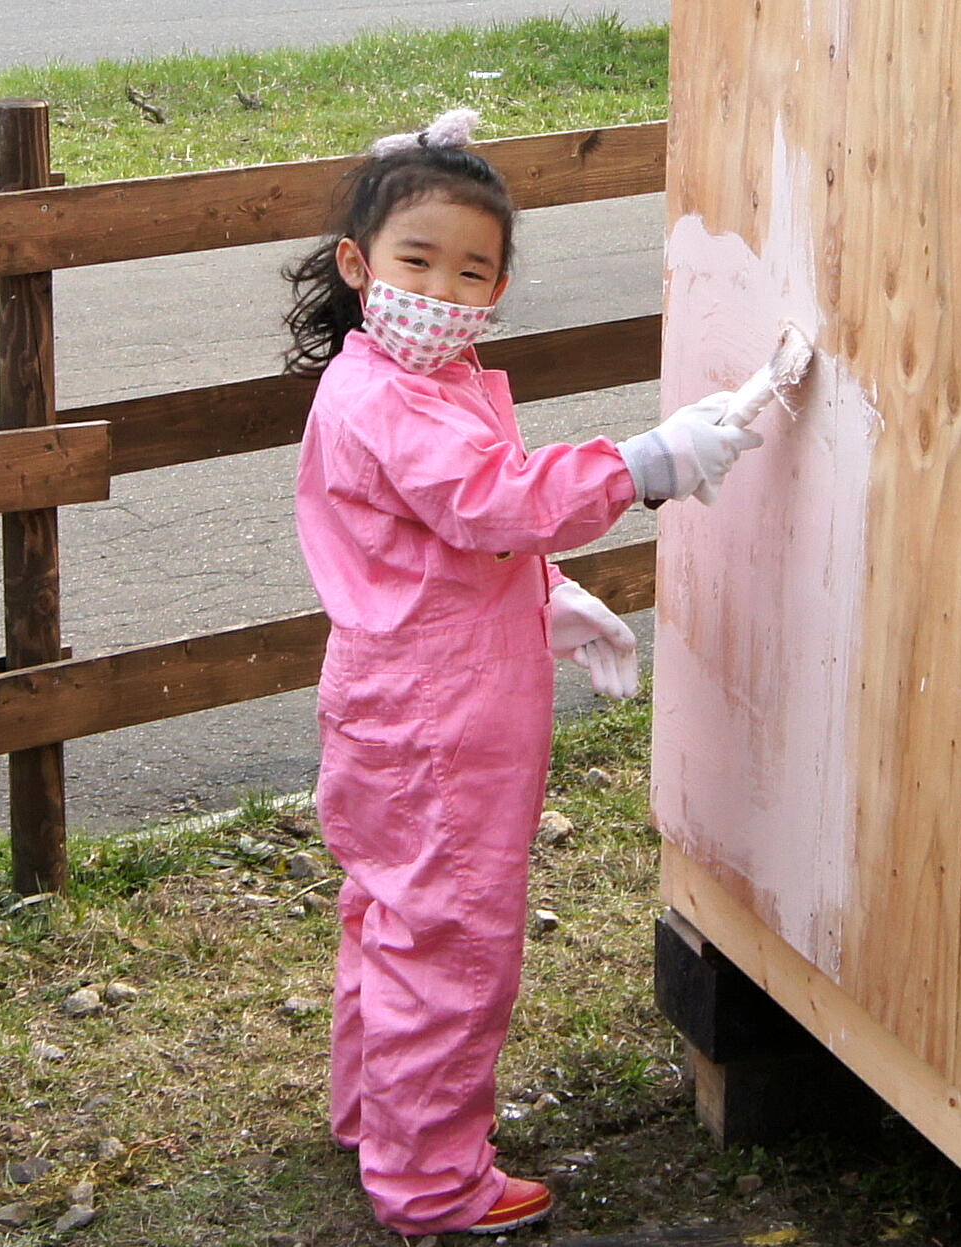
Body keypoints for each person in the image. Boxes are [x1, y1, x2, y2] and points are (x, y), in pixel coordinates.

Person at [286, 107, 765, 1237]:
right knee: (450, 942)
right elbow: (495, 499)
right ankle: (433, 1182)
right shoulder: (398, 397)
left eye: (472, 272)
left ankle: (378, 1117)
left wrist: (545, 598)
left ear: (498, 287)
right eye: (418, 263)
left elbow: (440, 541)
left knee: (393, 915)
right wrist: (649, 464)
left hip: (392, 697)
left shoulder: (400, 380)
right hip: (441, 721)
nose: (443, 293)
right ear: (360, 266)